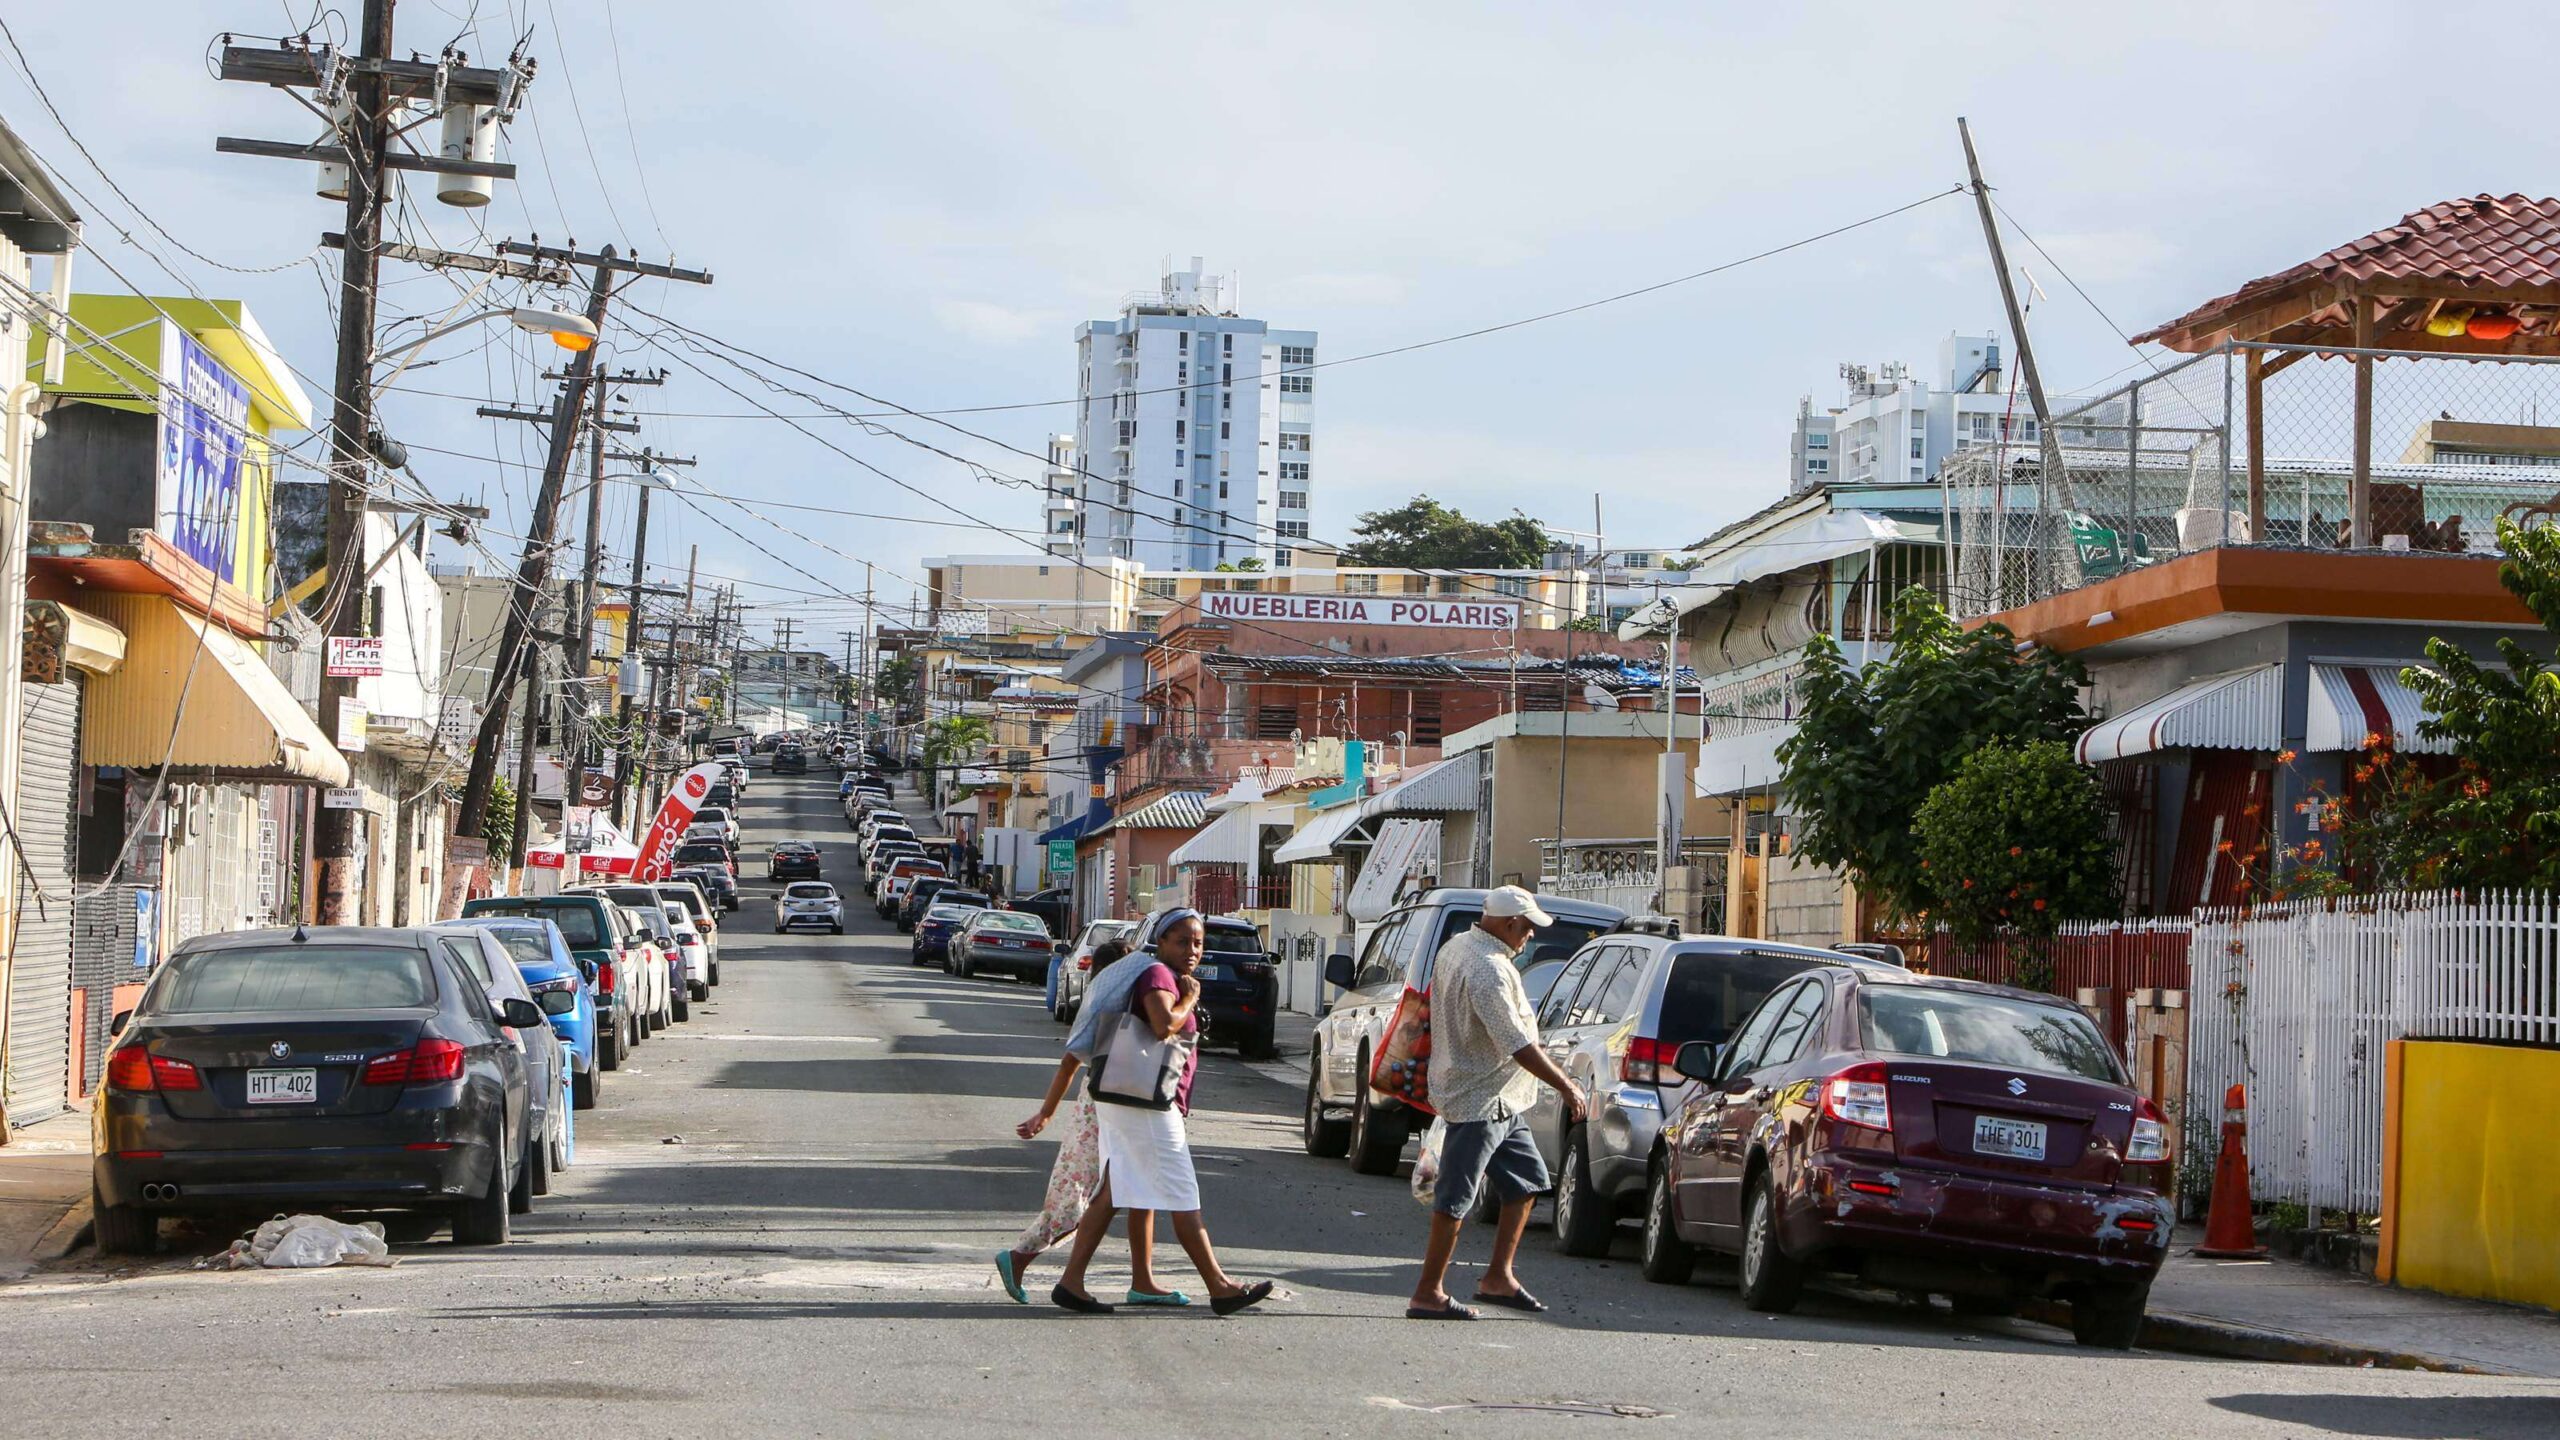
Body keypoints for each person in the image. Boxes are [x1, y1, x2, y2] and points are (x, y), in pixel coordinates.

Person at [1051, 910, 1274, 1317]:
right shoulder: (1159, 976)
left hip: (1126, 1099)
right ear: (1162, 941)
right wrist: (1189, 997)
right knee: (1183, 1193)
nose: (1192, 951)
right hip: (1148, 1105)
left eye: (1198, 943)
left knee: (1115, 1190)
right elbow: (1161, 1025)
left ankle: (1071, 1281)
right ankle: (1220, 1286)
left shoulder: (1160, 973)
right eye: (1182, 941)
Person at [1406, 885, 1587, 1321]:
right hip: (1478, 1098)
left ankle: (1498, 1277)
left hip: (1504, 1097)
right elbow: (1517, 1043)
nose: (1529, 937)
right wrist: (1566, 1086)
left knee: (1526, 1182)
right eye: (1526, 928)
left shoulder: (1459, 946)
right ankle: (1427, 1292)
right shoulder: (1487, 967)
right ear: (1508, 924)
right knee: (1455, 1199)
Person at [994, 938, 1188, 1305]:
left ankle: (1143, 1281)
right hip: (1103, 1108)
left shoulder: (1125, 1009)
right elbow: (1070, 1063)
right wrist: (1046, 1113)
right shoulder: (1107, 1016)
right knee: (1079, 1194)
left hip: (1120, 1104)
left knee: (1140, 1193)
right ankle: (1020, 1256)